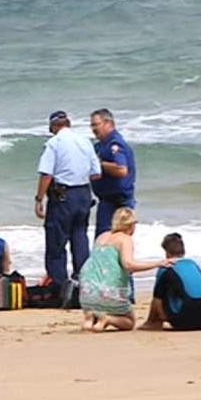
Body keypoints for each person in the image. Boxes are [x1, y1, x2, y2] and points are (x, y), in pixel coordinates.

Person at [34, 110, 101, 292]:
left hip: (63, 196)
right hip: (84, 195)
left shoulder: (54, 143)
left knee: (56, 243)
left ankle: (59, 287)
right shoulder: (85, 142)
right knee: (80, 238)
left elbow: (46, 174)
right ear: (68, 124)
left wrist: (39, 199)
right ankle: (83, 283)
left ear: (54, 126)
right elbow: (96, 173)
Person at [78, 208, 172, 332]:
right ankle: (107, 319)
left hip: (86, 291)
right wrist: (157, 264)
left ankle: (90, 319)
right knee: (129, 322)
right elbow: (128, 265)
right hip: (108, 293)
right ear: (131, 225)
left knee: (98, 306)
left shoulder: (102, 236)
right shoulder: (125, 239)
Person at [139, 233, 201, 331]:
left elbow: (157, 298)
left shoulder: (167, 267)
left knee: (162, 288)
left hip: (181, 321)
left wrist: (162, 317)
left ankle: (152, 322)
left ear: (166, 252)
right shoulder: (193, 264)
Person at [89, 108, 136, 237]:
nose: (93, 129)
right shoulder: (99, 146)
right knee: (103, 241)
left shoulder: (115, 144)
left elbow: (121, 169)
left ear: (108, 124)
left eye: (96, 125)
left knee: (114, 241)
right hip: (106, 199)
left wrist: (100, 164)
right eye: (91, 125)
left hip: (119, 202)